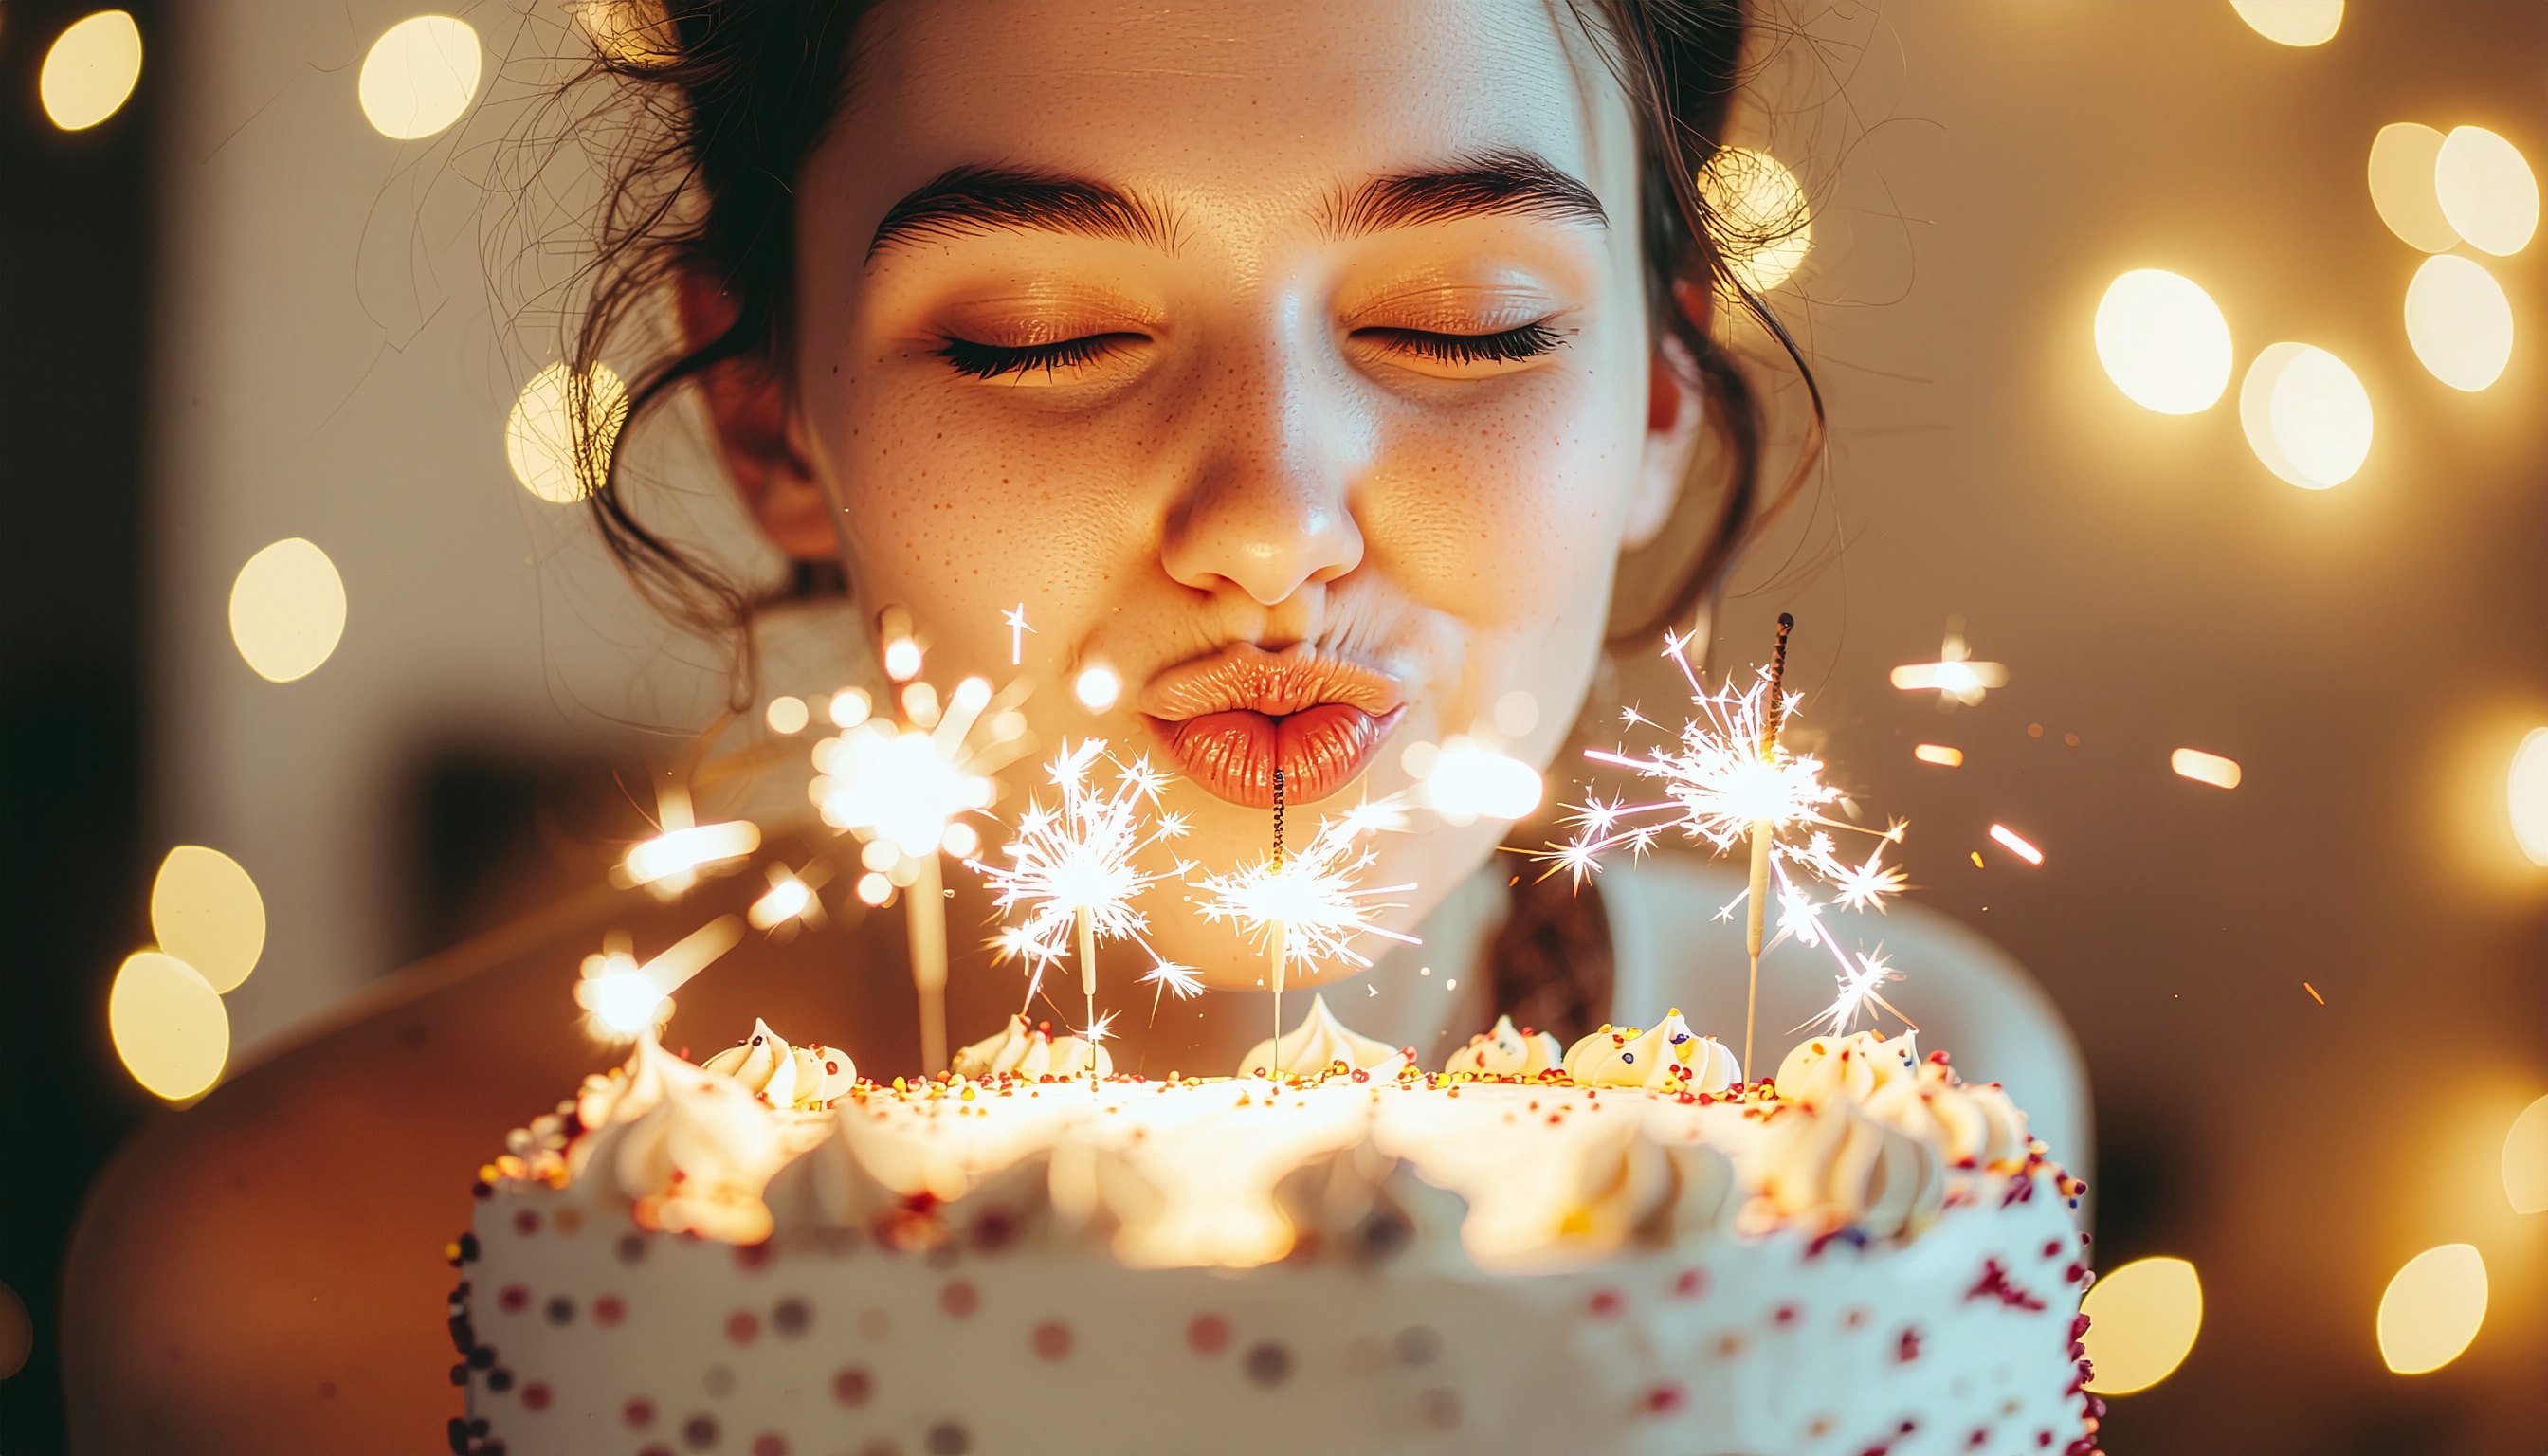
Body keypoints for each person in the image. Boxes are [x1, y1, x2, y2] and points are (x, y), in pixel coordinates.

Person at [63, 3, 2084, 1450]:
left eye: (1462, 319)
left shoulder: (1918, 1139)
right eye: (1043, 337)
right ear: (773, 420)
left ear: (1660, 390)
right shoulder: (300, 1265)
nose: (1272, 518)